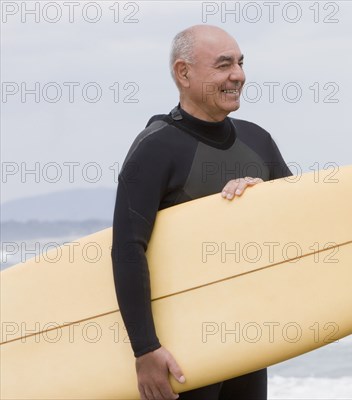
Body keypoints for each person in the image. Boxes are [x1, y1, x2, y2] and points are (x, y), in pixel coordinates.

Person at [111, 25, 291, 400]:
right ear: (184, 72)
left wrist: (263, 200)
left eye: (240, 63)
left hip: (248, 337)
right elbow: (127, 249)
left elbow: (297, 228)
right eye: (223, 65)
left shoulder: (258, 140)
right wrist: (145, 350)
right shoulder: (155, 148)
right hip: (182, 346)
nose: (238, 75)